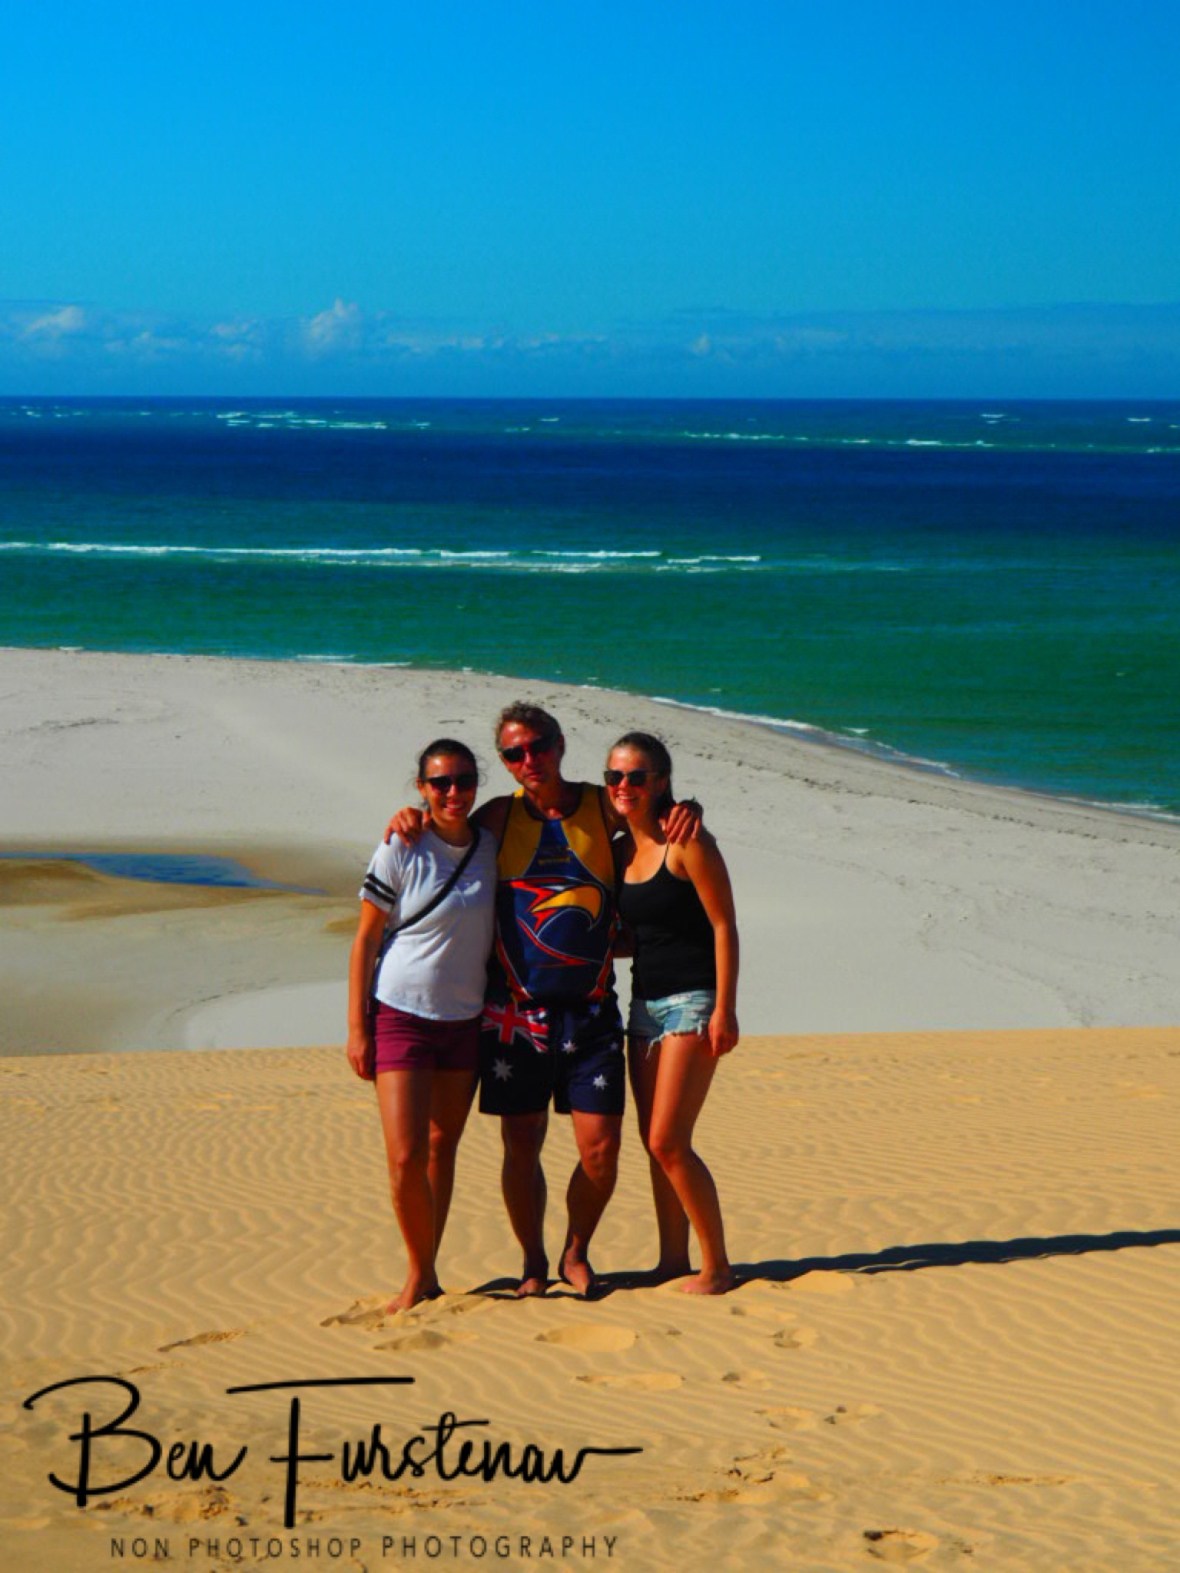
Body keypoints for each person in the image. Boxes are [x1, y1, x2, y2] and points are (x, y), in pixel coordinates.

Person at [386, 702, 700, 1299]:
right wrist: (408, 817)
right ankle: (533, 1259)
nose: (528, 760)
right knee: (521, 1141)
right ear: (504, 762)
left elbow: (652, 813)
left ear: (559, 744)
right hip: (514, 1016)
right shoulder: (498, 818)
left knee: (601, 1149)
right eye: (513, 753)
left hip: (592, 1010)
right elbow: (444, 833)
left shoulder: (602, 803)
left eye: (538, 746)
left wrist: (687, 807)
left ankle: (576, 1249)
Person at [346, 738, 497, 1311]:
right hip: (400, 1014)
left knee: (442, 1148)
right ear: (421, 788)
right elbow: (364, 939)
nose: (452, 792)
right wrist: (358, 1027)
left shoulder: (490, 843)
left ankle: (430, 1268)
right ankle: (417, 1270)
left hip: (465, 1017)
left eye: (463, 780)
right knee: (405, 1154)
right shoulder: (400, 845)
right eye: (440, 783)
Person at [606, 731, 739, 1294]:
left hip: (692, 1002)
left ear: (661, 781)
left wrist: (725, 1010)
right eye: (615, 776)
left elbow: (723, 925)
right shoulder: (619, 847)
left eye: (637, 776)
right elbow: (642, 934)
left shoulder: (688, 840)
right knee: (653, 1143)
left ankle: (718, 1266)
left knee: (668, 1140)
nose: (624, 786)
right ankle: (671, 1260)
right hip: (643, 1006)